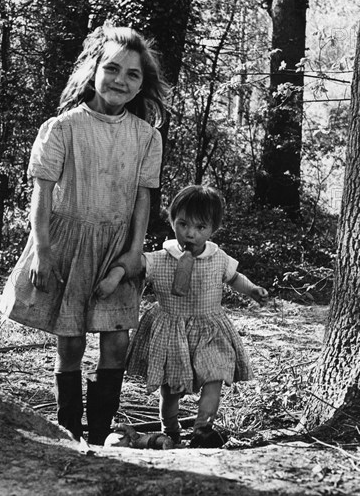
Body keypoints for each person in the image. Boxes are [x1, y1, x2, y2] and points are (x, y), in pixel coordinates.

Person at [0, 23, 168, 446]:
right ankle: (70, 434)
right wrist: (41, 249)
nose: (120, 81)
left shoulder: (147, 136)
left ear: (142, 84)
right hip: (67, 246)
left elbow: (142, 200)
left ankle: (101, 435)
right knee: (70, 343)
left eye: (133, 75)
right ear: (93, 69)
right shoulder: (62, 128)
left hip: (116, 250)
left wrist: (133, 253)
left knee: (116, 341)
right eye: (112, 69)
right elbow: (41, 190)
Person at [107, 185, 269, 448]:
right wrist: (116, 275)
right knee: (171, 389)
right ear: (172, 221)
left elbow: (235, 278)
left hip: (209, 329)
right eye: (183, 224)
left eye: (200, 227)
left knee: (215, 376)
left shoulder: (218, 258)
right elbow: (135, 266)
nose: (190, 233)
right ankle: (169, 430)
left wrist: (252, 290)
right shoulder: (160, 258)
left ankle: (202, 429)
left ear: (212, 230)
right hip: (171, 329)